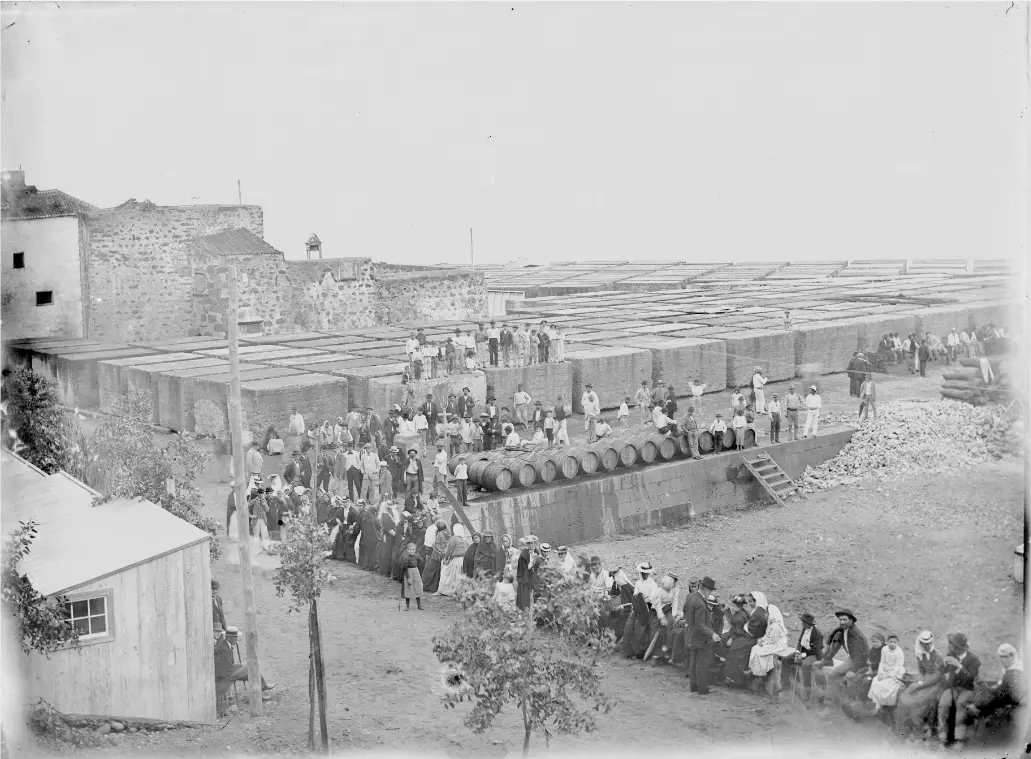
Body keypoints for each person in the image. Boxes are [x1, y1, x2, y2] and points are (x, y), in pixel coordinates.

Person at [964, 643, 1025, 743]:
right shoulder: (1014, 670)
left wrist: (979, 704)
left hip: (1008, 708)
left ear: (1013, 656)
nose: (1003, 660)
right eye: (1001, 657)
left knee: (978, 705)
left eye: (1006, 657)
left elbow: (1002, 696)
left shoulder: (1013, 673)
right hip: (1006, 702)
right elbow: (1002, 691)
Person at [818, 609, 870, 713]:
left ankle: (830, 706)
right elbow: (835, 638)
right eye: (840, 619)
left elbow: (860, 655)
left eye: (845, 620)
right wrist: (827, 650)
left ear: (851, 620)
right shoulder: (844, 630)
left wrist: (853, 670)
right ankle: (833, 697)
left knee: (833, 676)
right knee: (837, 677)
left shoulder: (855, 635)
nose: (842, 622)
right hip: (852, 658)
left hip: (860, 661)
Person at [936, 632, 981, 748]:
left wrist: (959, 666)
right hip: (953, 687)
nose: (953, 649)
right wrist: (944, 669)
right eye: (953, 646)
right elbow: (944, 672)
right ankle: (942, 737)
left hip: (967, 689)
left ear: (962, 648)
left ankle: (959, 739)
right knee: (943, 704)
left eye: (956, 647)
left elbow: (971, 679)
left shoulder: (973, 659)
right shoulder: (951, 655)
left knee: (961, 703)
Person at [214, 623, 274, 707]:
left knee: (251, 671)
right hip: (227, 675)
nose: (236, 639)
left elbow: (228, 665)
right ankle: (263, 688)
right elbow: (227, 668)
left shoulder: (226, 645)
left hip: (228, 671)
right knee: (250, 666)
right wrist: (240, 667)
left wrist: (239, 666)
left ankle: (259, 693)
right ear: (228, 637)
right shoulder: (223, 648)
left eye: (236, 637)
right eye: (234, 637)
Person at [684, 576, 721, 694]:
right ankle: (703, 689)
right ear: (705, 589)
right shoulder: (700, 603)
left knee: (693, 662)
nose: (710, 593)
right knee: (701, 664)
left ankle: (693, 687)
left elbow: (685, 610)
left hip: (691, 635)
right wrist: (712, 634)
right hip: (701, 638)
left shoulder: (691, 596)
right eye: (710, 590)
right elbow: (700, 625)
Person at [748, 603, 795, 696]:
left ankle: (760, 676)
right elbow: (767, 636)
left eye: (767, 613)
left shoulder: (776, 626)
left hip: (777, 645)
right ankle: (755, 671)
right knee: (755, 648)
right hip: (771, 643)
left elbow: (772, 639)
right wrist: (762, 640)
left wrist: (763, 643)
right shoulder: (771, 624)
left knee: (759, 652)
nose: (766, 615)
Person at [780, 611, 824, 701]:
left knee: (806, 665)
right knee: (785, 660)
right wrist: (797, 652)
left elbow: (815, 649)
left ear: (808, 623)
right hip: (802, 652)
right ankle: (785, 684)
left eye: (803, 622)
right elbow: (800, 642)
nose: (802, 623)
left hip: (814, 654)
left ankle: (807, 693)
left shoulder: (818, 634)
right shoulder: (805, 629)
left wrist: (802, 655)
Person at [868, 633, 907, 712]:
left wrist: (887, 676)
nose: (892, 643)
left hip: (895, 672)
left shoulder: (899, 652)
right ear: (887, 642)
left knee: (886, 685)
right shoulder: (884, 649)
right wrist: (880, 673)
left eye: (894, 642)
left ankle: (885, 705)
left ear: (897, 643)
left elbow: (898, 667)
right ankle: (877, 705)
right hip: (885, 670)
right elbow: (882, 662)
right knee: (876, 681)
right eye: (891, 641)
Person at [436, 528, 469, 596]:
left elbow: (449, 549)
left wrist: (445, 558)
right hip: (464, 560)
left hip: (457, 559)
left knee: (445, 571)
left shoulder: (453, 538)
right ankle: (458, 592)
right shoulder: (464, 539)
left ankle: (442, 590)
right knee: (458, 576)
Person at [400, 543, 424, 610]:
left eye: (413, 549)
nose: (412, 551)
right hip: (409, 573)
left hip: (416, 572)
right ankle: (407, 605)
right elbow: (404, 568)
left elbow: (421, 563)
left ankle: (419, 605)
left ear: (415, 550)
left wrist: (419, 557)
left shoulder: (416, 556)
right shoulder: (406, 558)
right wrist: (408, 578)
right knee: (408, 588)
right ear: (407, 550)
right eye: (410, 549)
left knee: (417, 587)